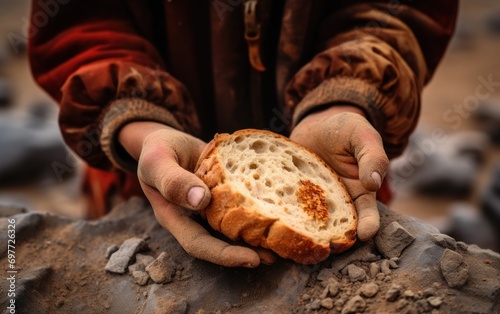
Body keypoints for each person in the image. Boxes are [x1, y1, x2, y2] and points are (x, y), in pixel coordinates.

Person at [29, 0, 458, 267]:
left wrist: (343, 99)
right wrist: (140, 125)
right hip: (144, 177)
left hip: (341, 172)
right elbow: (80, 26)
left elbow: (399, 10)